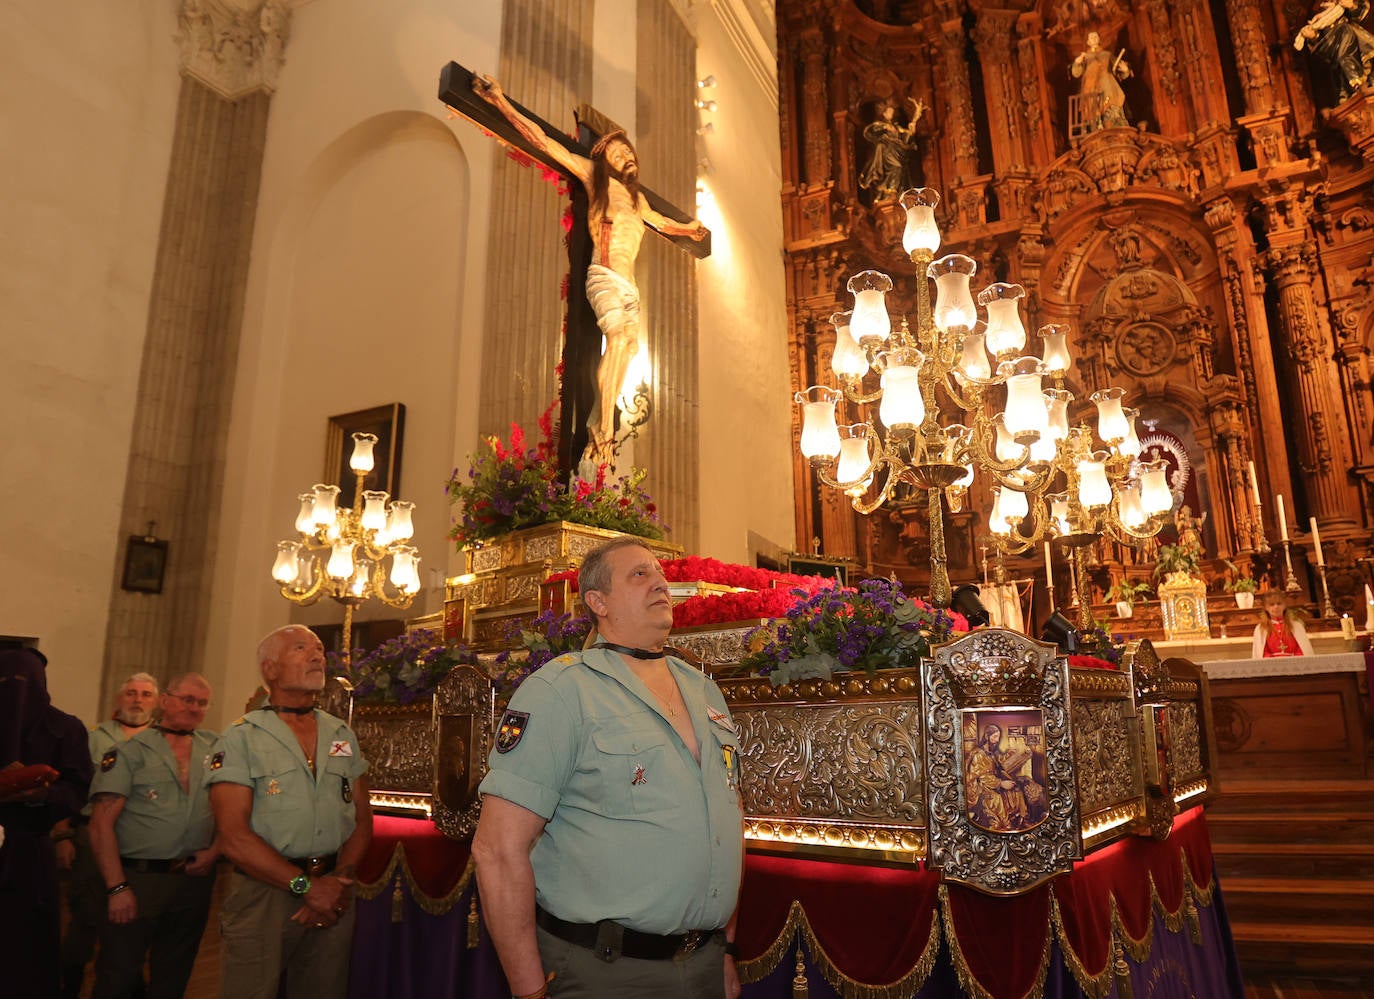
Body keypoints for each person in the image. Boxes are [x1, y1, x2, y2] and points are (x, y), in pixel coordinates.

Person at [473, 537, 744, 999]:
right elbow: (497, 850)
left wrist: (726, 951)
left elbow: (726, 820)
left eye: (660, 573)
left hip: (703, 965)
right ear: (597, 602)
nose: (660, 582)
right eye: (639, 574)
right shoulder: (561, 690)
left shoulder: (705, 692)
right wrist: (529, 991)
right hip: (605, 971)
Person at [472, 74, 710, 462]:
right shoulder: (593, 178)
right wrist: (500, 101)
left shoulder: (639, 202)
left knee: (630, 346)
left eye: (629, 152)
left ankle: (603, 423)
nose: (627, 156)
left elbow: (666, 225)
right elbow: (542, 142)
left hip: (629, 288)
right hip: (605, 276)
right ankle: (604, 426)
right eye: (618, 154)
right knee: (618, 341)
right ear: (603, 160)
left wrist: (692, 229)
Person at [208, 625, 372, 999]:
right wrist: (305, 887)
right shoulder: (240, 738)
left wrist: (339, 881)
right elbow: (233, 837)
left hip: (335, 892)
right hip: (264, 895)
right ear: (270, 669)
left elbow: (362, 819)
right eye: (301, 649)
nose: (318, 656)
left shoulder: (341, 734)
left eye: (318, 649)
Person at [88, 673, 219, 999]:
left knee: (174, 974)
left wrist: (216, 851)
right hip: (138, 878)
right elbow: (100, 824)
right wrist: (117, 887)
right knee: (118, 974)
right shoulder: (129, 752)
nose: (194, 708)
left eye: (202, 703)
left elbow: (231, 811)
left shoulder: (216, 750)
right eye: (187, 699)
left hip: (193, 880)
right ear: (165, 701)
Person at [0, 648, 94, 999]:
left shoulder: (65, 728)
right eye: (5, 683)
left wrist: (36, 795)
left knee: (25, 944)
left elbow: (77, 786)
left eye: (24, 683)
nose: (14, 691)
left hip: (28, 850)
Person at [59, 671, 161, 997]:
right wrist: (62, 834)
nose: (137, 699)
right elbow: (70, 786)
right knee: (85, 921)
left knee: (130, 924)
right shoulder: (94, 738)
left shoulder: (165, 741)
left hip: (140, 846)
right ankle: (67, 985)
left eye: (146, 694)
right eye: (131, 693)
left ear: (157, 702)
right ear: (119, 699)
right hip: (92, 840)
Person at [964, 723, 1046, 832]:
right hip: (980, 787)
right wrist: (1001, 784)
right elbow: (982, 777)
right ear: (987, 737)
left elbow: (998, 761)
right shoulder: (979, 754)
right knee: (997, 798)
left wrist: (1009, 754)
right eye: (994, 737)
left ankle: (1023, 817)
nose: (997, 740)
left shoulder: (990, 752)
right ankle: (1005, 824)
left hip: (993, 781)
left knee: (1016, 790)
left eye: (998, 737)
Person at [1295, 0, 1374, 102]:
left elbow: (1362, 15)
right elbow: (1318, 45)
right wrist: (1313, 36)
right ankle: (1355, 85)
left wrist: (1352, 6)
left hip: (1358, 38)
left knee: (1369, 53)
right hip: (1335, 43)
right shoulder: (1316, 13)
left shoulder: (1341, 4)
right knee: (1344, 59)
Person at [859, 98, 925, 201]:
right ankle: (889, 192)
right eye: (889, 112)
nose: (891, 114)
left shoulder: (897, 127)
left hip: (898, 153)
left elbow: (905, 140)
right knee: (896, 168)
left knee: (900, 170)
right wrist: (884, 127)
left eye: (892, 112)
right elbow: (868, 133)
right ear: (884, 114)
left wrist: (912, 129)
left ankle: (896, 192)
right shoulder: (881, 126)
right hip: (887, 154)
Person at [1071, 31, 1132, 135]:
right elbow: (1076, 73)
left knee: (1113, 115)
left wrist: (1125, 70)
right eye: (1091, 37)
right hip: (1090, 91)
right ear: (1088, 42)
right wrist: (1077, 63)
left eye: (1096, 36)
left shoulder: (1107, 55)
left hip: (1109, 89)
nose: (1094, 39)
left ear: (1099, 39)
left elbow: (1119, 73)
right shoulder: (1085, 58)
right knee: (1094, 119)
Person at [1252, 592, 1316, 657]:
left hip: (1294, 663)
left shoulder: (1296, 626)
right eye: (1272, 604)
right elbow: (1262, 653)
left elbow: (1302, 650)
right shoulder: (1261, 628)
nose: (1276, 607)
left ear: (1284, 606)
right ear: (1266, 608)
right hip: (1271, 665)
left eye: (1279, 604)